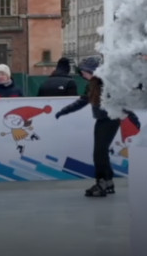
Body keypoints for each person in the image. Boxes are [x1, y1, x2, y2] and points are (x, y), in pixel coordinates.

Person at [54, 57, 138, 197]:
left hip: (110, 119)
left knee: (99, 152)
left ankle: (101, 183)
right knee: (101, 152)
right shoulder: (92, 84)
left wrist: (133, 119)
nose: (82, 75)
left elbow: (122, 103)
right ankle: (108, 181)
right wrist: (64, 111)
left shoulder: (107, 85)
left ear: (91, 71)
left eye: (84, 72)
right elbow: (82, 101)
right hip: (102, 120)